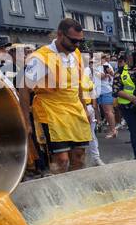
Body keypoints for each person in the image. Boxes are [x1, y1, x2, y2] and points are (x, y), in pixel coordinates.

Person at [21, 18, 94, 173]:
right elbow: (24, 89)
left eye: (80, 41)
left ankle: (77, 189)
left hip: (75, 109)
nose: (77, 45)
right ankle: (59, 192)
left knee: (79, 156)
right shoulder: (40, 57)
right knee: (62, 159)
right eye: (74, 41)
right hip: (51, 111)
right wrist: (26, 121)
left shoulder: (76, 54)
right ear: (60, 35)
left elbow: (78, 84)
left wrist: (84, 108)